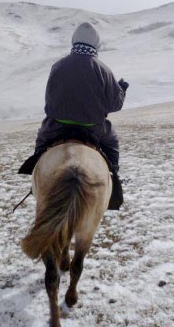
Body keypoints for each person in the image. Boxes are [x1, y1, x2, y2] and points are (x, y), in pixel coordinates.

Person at [19, 22, 127, 210]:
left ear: (74, 41)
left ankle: (35, 175)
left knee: (42, 141)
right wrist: (121, 91)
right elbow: (114, 105)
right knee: (112, 143)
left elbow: (50, 100)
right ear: (96, 43)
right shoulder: (103, 69)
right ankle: (113, 178)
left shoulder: (58, 66)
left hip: (56, 124)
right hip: (93, 128)